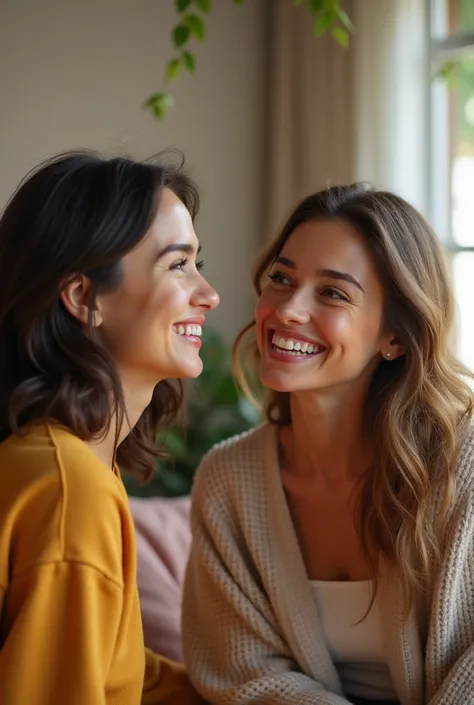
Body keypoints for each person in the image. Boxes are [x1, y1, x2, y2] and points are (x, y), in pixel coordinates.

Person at [182, 183, 474, 705]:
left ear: (396, 336)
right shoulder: (228, 480)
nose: (289, 309)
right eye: (281, 278)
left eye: (333, 292)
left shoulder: (464, 466)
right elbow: (245, 676)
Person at [0, 150, 219, 705]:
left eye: (198, 262)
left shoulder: (68, 461)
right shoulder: (69, 489)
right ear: (83, 298)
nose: (208, 294)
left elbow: (111, 667)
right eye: (178, 265)